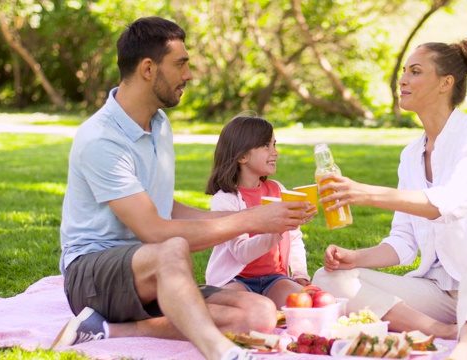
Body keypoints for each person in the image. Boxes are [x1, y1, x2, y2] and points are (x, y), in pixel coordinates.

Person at [52, 17, 308, 360]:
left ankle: (106, 330)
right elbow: (154, 230)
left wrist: (250, 215)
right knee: (172, 248)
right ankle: (221, 352)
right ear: (147, 68)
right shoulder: (101, 138)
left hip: (149, 270)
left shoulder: (159, 125)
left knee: (258, 313)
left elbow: (163, 207)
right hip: (93, 275)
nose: (188, 74)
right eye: (180, 64)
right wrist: (253, 220)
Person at [312, 39, 467, 360]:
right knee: (328, 278)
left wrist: (366, 193)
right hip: (439, 292)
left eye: (415, 72)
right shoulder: (410, 155)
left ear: (446, 83)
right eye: (403, 71)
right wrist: (355, 258)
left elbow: (451, 203)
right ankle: (440, 329)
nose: (402, 79)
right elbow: (403, 243)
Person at [204, 115, 314, 309]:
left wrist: (299, 274)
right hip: (237, 281)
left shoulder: (278, 190)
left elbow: (294, 238)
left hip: (274, 279)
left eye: (274, 144)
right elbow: (241, 253)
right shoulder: (226, 199)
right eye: (266, 145)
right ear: (242, 156)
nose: (275, 152)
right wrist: (277, 228)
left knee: (307, 304)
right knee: (236, 310)